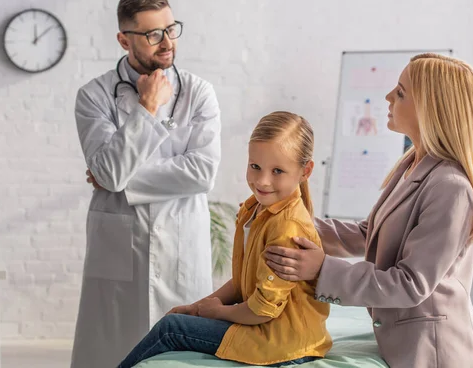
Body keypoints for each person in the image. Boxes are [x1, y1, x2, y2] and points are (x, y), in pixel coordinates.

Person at [265, 53, 473, 368]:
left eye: (401, 93)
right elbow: (370, 234)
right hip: (401, 340)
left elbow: (410, 283)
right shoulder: (413, 162)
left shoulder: (451, 188)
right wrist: (291, 220)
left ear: (431, 109)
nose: (388, 97)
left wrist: (322, 270)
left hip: (436, 354)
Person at [72, 0, 221, 368]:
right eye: (153, 34)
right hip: (121, 247)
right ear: (124, 39)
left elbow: (202, 173)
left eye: (171, 29)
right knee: (110, 351)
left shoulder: (198, 93)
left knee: (181, 355)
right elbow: (107, 171)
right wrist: (147, 107)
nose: (167, 42)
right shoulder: (94, 96)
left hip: (180, 246)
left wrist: (121, 181)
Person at [118, 111, 332, 367]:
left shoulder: (287, 227)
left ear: (305, 171)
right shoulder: (255, 209)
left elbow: (262, 309)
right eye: (255, 167)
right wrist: (197, 308)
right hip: (271, 330)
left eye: (277, 171)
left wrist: (219, 312)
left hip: (284, 343)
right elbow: (244, 282)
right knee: (176, 321)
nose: (262, 181)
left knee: (169, 329)